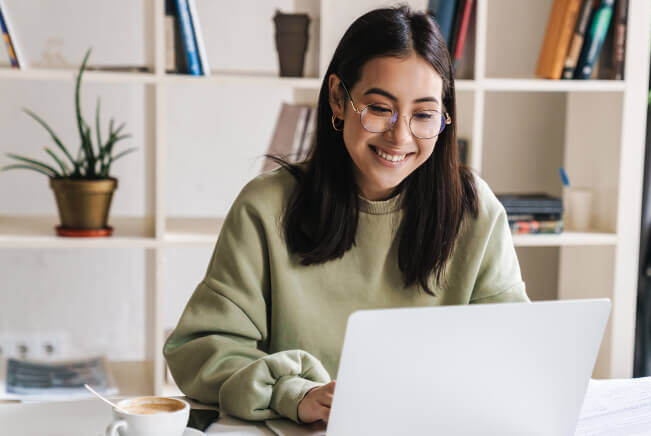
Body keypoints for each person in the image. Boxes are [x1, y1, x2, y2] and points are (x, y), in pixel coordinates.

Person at [163, 5, 529, 425]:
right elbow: (202, 348)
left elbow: (511, 351)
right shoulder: (266, 207)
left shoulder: (475, 211)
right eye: (379, 108)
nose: (400, 136)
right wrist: (293, 394)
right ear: (339, 98)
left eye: (424, 115)